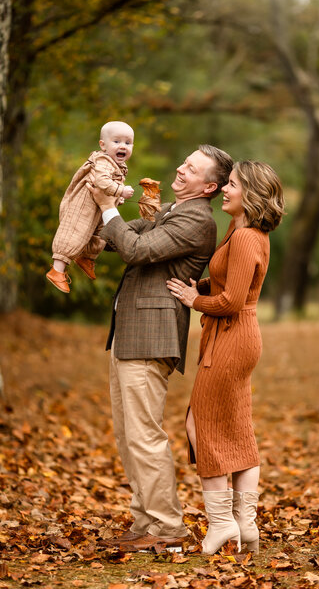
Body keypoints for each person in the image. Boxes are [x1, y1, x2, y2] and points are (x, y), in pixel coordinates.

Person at [88, 145, 234, 552]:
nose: (179, 168)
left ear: (210, 186)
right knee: (128, 435)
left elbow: (134, 248)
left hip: (153, 334)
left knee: (144, 435)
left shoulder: (196, 220)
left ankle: (168, 526)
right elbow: (122, 240)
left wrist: (108, 209)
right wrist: (115, 219)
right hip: (131, 331)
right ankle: (144, 520)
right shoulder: (171, 209)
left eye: (191, 168)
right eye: (183, 162)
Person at [167, 160, 285, 555]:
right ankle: (245, 525)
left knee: (202, 422)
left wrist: (193, 299)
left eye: (231, 184)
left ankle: (222, 525)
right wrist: (198, 285)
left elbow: (232, 300)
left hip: (233, 336)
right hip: (235, 336)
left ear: (249, 193)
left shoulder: (248, 236)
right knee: (234, 425)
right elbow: (230, 281)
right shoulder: (243, 232)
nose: (224, 190)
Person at [46, 121, 135, 293]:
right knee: (74, 231)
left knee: (102, 232)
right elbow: (102, 181)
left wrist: (117, 197)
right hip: (84, 205)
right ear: (103, 145)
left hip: (98, 206)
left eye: (128, 142)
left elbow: (109, 185)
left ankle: (86, 258)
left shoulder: (118, 165)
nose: (123, 146)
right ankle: (57, 270)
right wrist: (120, 190)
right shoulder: (103, 160)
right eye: (116, 141)